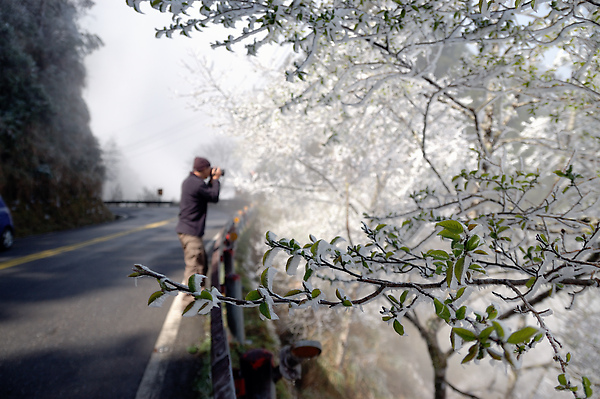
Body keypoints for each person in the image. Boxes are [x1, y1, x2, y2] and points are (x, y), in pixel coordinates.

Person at [176, 157, 223, 288]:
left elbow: (206, 193)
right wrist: (216, 179)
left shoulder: (190, 182)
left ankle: (199, 300)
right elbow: (213, 196)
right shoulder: (196, 184)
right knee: (195, 268)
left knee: (201, 266)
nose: (211, 171)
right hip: (191, 232)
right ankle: (189, 303)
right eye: (209, 168)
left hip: (188, 231)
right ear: (204, 169)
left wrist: (212, 180)